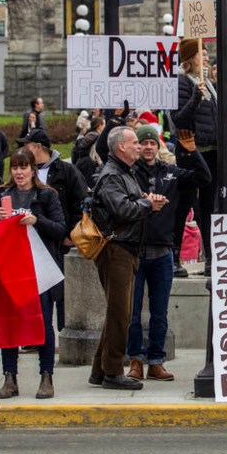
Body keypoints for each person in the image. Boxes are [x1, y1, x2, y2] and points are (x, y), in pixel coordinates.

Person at [126, 126, 210, 382]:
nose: (148, 147)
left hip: (163, 252)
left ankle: (156, 361)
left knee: (160, 312)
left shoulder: (171, 173)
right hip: (136, 251)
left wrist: (193, 152)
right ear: (137, 147)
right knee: (133, 312)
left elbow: (204, 178)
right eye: (144, 143)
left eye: (153, 142)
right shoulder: (128, 174)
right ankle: (135, 360)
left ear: (158, 145)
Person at [89, 126, 168, 391]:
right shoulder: (112, 175)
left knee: (117, 311)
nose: (139, 146)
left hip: (125, 249)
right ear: (121, 147)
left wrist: (145, 201)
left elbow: (128, 203)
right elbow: (122, 209)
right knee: (120, 314)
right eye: (135, 142)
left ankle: (100, 369)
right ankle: (112, 372)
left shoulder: (123, 173)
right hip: (117, 250)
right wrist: (147, 204)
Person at [0, 148, 66, 400]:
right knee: (9, 323)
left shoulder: (46, 196)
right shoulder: (2, 195)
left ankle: (46, 377)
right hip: (10, 270)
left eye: (24, 167)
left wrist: (36, 220)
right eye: (15, 167)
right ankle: (9, 377)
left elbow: (60, 230)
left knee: (43, 323)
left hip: (39, 270)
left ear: (33, 170)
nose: (19, 172)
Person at [19, 129, 87, 333]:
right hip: (33, 241)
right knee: (36, 291)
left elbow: (81, 204)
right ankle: (37, 335)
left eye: (27, 145)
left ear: (38, 147)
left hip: (60, 240)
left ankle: (64, 333)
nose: (23, 150)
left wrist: (71, 235)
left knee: (62, 292)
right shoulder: (24, 172)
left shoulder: (67, 171)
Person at [170, 38, 217, 276]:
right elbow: (179, 118)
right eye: (202, 54)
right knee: (185, 205)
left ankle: (210, 258)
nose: (206, 58)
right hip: (191, 152)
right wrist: (196, 97)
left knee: (209, 208)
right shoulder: (183, 83)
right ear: (190, 58)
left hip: (211, 153)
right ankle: (174, 257)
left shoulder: (208, 83)